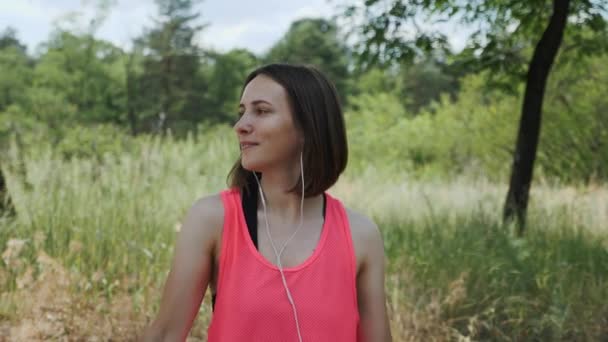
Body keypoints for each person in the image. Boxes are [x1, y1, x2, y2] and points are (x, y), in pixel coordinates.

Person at [139, 63, 392, 341]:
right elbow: (165, 335)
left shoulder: (361, 236)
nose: (240, 126)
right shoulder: (213, 219)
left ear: (308, 126)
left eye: (261, 111)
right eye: (242, 112)